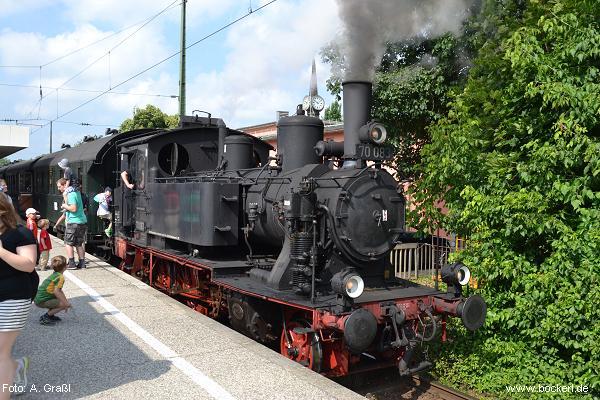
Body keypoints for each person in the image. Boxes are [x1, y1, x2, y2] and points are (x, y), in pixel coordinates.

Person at [0, 195, 37, 398]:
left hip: (12, 298)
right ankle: (16, 366)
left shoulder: (20, 234)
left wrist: (1, 252)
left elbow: (29, 264)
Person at [56, 178, 87, 270]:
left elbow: (73, 208)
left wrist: (64, 206)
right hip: (81, 221)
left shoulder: (71, 194)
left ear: (65, 185)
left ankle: (72, 263)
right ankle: (82, 263)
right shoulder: (76, 192)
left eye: (59, 186)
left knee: (68, 243)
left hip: (73, 221)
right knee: (78, 243)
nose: (58, 189)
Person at [34, 256, 71, 325]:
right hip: (41, 300)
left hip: (39, 298)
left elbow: (59, 291)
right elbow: (57, 292)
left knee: (61, 300)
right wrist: (66, 304)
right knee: (63, 304)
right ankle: (45, 317)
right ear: (65, 267)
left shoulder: (55, 274)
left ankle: (51, 315)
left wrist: (66, 301)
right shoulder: (60, 277)